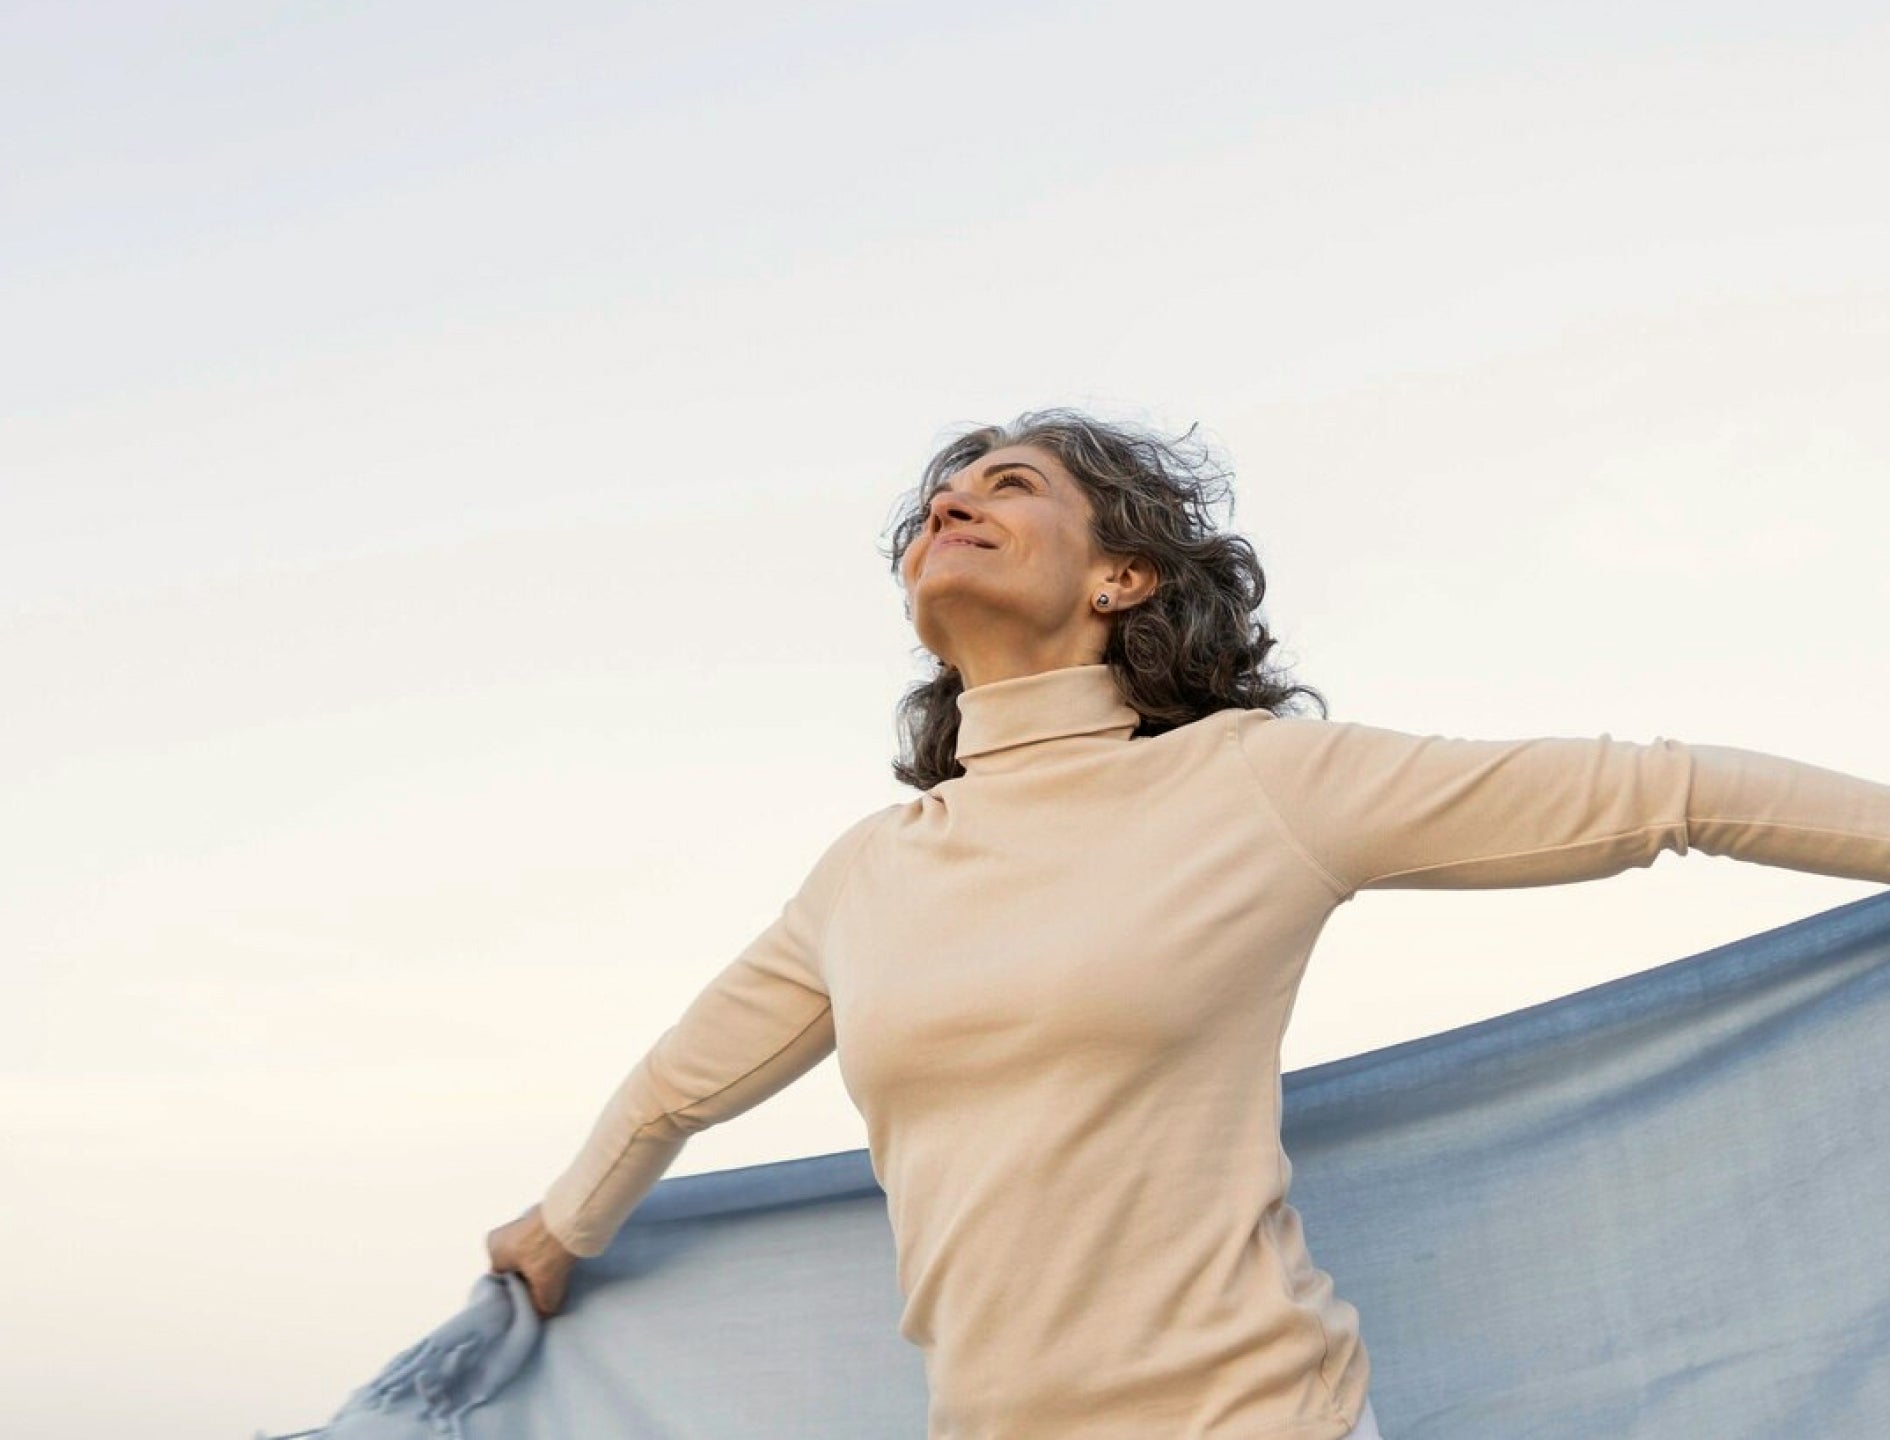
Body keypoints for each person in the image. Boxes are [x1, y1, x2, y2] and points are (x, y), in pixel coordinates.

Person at [486, 408, 1890, 1439]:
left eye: (1006, 486)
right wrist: (560, 1232)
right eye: (933, 500)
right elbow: (681, 1085)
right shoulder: (865, 875)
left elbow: (1662, 791)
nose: (948, 505)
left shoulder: (1257, 787)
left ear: (1122, 577)